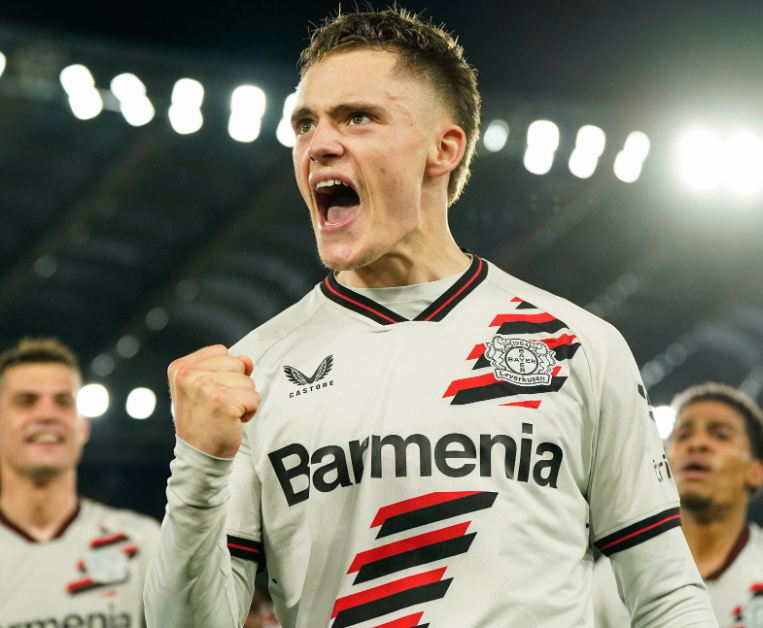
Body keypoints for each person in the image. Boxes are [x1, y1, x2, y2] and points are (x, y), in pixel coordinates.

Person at [145, 8, 717, 628]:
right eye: (305, 123)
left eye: (357, 117)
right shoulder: (256, 370)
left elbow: (667, 596)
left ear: (444, 149)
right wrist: (197, 464)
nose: (319, 144)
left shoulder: (576, 344)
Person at [0, 338, 159, 627]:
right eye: (27, 401)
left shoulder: (141, 541)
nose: (47, 415)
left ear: (83, 427)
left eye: (63, 402)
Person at [593, 383, 763, 627]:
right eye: (683, 435)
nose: (697, 444)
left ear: (756, 471)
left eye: (720, 435)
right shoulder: (612, 577)